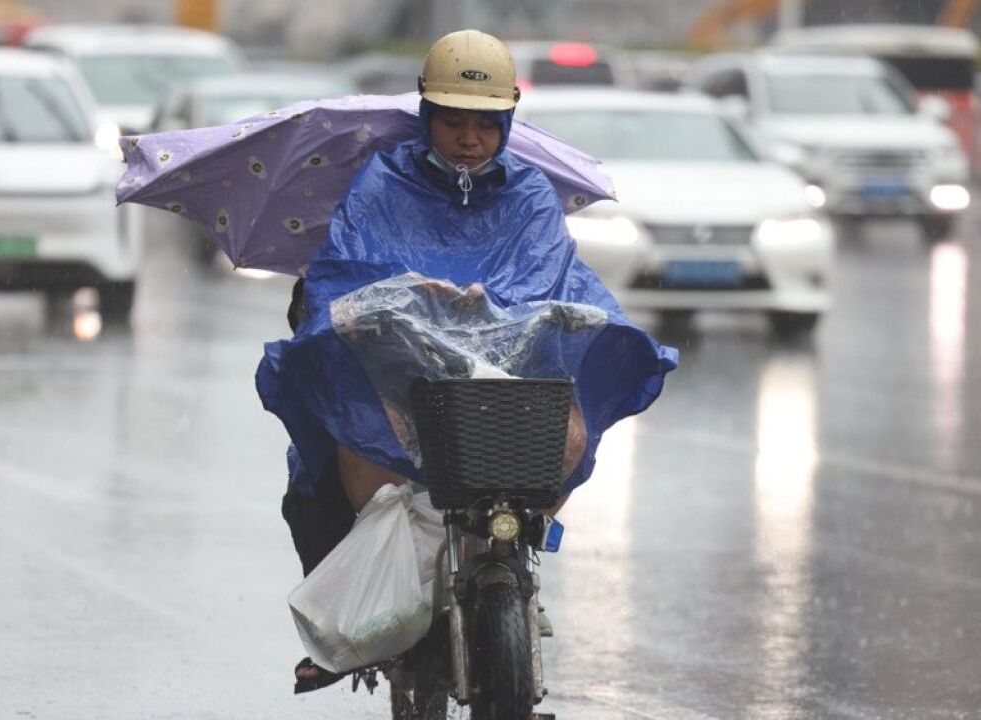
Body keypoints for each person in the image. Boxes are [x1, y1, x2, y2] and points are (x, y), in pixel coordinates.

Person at [258, 29, 678, 693]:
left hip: (508, 379)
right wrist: (397, 303)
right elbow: (346, 271)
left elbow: (557, 279)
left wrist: (502, 308)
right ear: (428, 116)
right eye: (453, 121)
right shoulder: (380, 184)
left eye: (485, 125)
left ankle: (517, 559)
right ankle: (365, 621)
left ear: (507, 121)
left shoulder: (532, 195)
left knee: (566, 432)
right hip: (404, 376)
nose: (469, 139)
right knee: (346, 451)